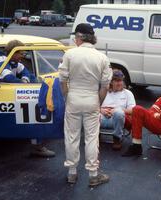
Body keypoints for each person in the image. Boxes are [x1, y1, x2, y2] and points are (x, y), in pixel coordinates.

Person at [59, 23, 112, 186]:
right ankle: (93, 174)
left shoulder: (70, 54)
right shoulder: (102, 57)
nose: (75, 39)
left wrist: (68, 98)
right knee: (91, 138)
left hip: (74, 98)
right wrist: (98, 102)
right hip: (92, 99)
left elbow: (62, 81)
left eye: (76, 36)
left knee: (72, 136)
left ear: (80, 37)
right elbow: (105, 86)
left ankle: (72, 172)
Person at [0, 39, 55, 158]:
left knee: (35, 110)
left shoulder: (14, 62)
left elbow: (28, 74)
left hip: (7, 95)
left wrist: (25, 81)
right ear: (13, 52)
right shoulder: (0, 60)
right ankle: (37, 146)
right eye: (21, 53)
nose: (23, 56)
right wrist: (24, 83)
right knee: (36, 115)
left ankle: (37, 146)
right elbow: (8, 77)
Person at [122, 76, 161, 163]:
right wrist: (157, 115)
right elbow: (152, 111)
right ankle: (136, 146)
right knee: (137, 109)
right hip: (159, 124)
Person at [100, 70, 136, 150]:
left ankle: (117, 139)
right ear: (111, 82)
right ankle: (94, 137)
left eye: (121, 80)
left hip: (117, 120)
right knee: (90, 111)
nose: (119, 83)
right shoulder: (104, 91)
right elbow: (94, 105)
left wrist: (117, 110)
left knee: (118, 113)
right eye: (116, 81)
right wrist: (101, 110)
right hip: (101, 117)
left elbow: (133, 110)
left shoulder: (128, 93)